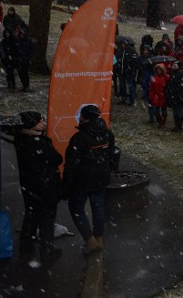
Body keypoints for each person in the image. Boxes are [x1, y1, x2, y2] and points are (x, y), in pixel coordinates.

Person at [63, 104, 115, 255]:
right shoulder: (107, 133)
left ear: (83, 117)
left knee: (76, 208)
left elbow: (71, 164)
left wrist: (66, 184)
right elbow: (111, 154)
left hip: (82, 181)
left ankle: (90, 242)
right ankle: (98, 239)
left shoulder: (79, 138)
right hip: (101, 177)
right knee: (98, 206)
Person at [13, 111, 63, 264]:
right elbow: (57, 159)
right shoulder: (39, 143)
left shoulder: (20, 139)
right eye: (40, 121)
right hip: (45, 187)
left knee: (31, 217)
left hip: (29, 186)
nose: (43, 123)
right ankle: (46, 251)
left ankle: (25, 248)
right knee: (47, 220)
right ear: (32, 125)